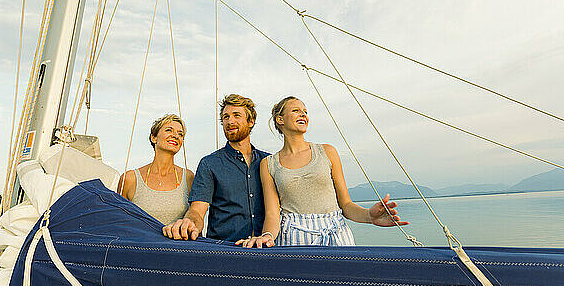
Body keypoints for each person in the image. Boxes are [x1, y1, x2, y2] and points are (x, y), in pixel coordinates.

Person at [237, 96, 409, 248]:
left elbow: (346, 206)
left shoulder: (327, 152)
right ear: (280, 119)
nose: (303, 114)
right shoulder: (269, 164)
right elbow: (273, 214)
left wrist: (369, 216)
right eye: (296, 110)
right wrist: (266, 236)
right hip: (294, 237)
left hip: (336, 234)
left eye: (305, 111)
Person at [163, 94, 269, 241]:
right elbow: (197, 211)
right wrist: (189, 223)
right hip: (223, 251)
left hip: (265, 249)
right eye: (225, 117)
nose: (229, 121)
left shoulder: (268, 162)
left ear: (251, 121)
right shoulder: (209, 164)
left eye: (236, 115)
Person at [118, 114, 194, 225]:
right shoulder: (130, 179)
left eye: (180, 134)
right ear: (153, 138)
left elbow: (194, 224)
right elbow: (119, 222)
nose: (176, 136)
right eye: (169, 130)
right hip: (141, 242)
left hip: (178, 242)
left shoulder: (188, 177)